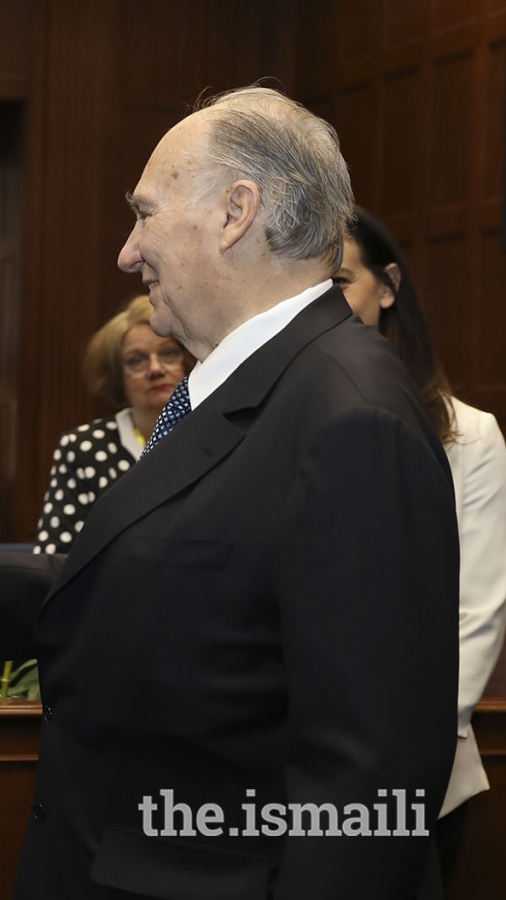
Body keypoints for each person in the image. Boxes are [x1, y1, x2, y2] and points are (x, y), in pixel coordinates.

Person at [0, 86, 459, 897]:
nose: (127, 253)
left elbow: (371, 780)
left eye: (145, 213)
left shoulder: (351, 416)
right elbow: (181, 596)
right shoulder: (245, 386)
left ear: (237, 213)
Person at [335, 205, 506, 884]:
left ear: (388, 285)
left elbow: (477, 613)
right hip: (285, 764)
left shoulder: (469, 436)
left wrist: (399, 753)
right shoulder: (274, 419)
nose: (327, 305)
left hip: (415, 766)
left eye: (342, 282)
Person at [34, 295, 192, 554]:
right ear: (118, 376)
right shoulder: (83, 448)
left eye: (169, 353)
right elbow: (55, 556)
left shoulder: (217, 433)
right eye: (136, 360)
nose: (155, 369)